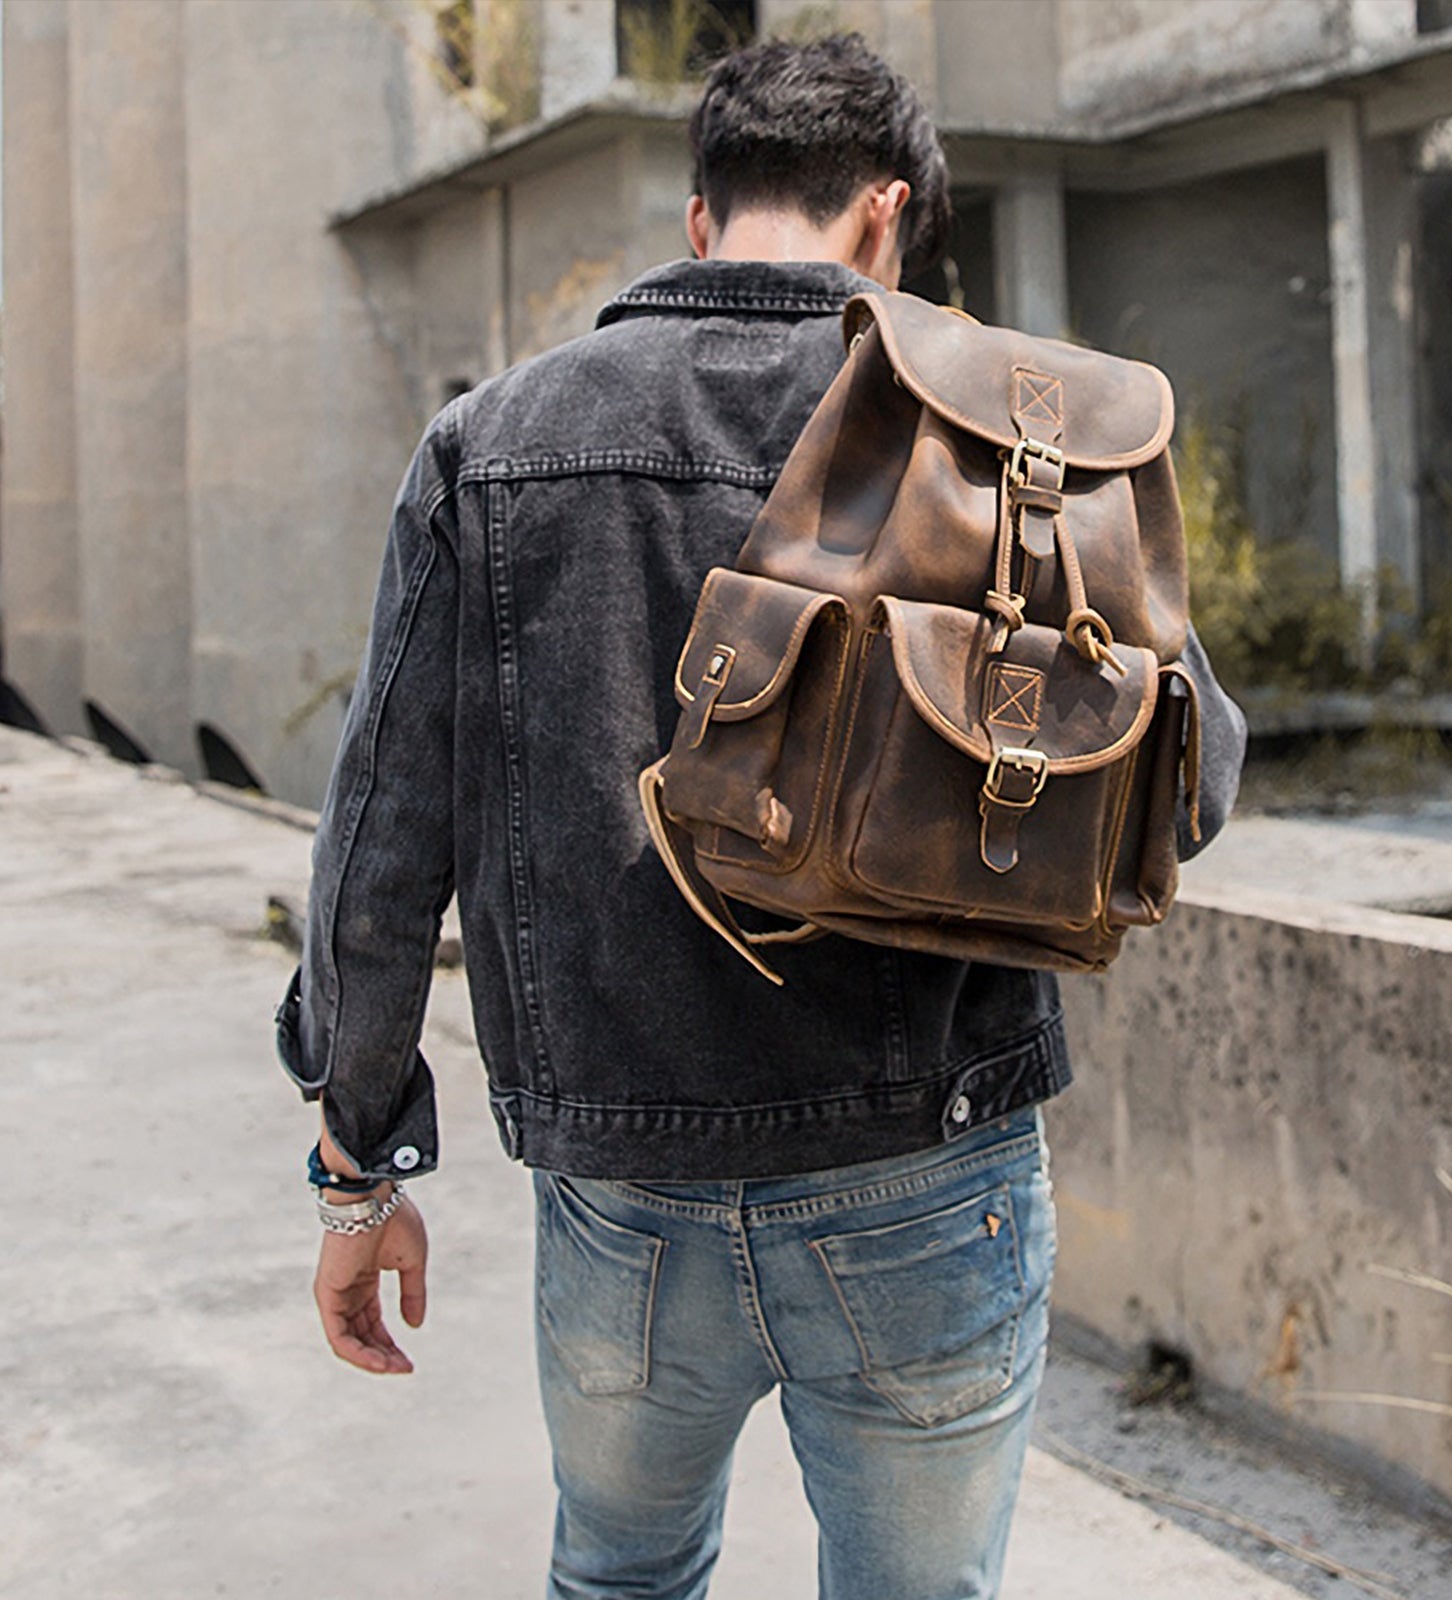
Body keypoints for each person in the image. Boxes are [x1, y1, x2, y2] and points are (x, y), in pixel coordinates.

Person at [276, 32, 1246, 1600]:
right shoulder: (1009, 435)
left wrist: (355, 1175)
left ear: (697, 217)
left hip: (620, 1190)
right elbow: (1187, 784)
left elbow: (382, 858)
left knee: (622, 1579)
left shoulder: (492, 446)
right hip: (933, 1169)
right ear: (888, 217)